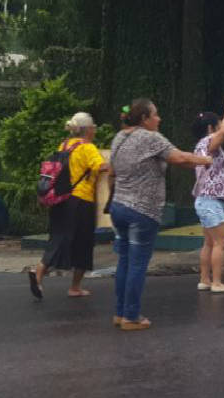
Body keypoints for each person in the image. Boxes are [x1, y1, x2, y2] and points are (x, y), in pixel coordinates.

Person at [108, 98, 212, 330]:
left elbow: (112, 171)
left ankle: (120, 312)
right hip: (141, 210)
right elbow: (179, 158)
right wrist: (205, 159)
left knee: (124, 261)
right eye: (155, 114)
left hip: (119, 207)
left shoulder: (119, 137)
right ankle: (132, 317)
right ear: (144, 119)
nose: (159, 118)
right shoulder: (150, 137)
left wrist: (194, 162)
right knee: (137, 264)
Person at [28, 112, 107, 299]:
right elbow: (101, 167)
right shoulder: (88, 148)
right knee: (84, 243)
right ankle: (74, 286)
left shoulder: (64, 145)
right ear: (88, 130)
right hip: (81, 201)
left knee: (58, 237)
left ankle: (39, 272)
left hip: (60, 199)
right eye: (93, 128)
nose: (94, 131)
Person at [193, 99, 224, 293]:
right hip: (211, 202)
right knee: (220, 243)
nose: (223, 124)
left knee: (209, 242)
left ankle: (205, 279)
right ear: (210, 127)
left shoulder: (200, 146)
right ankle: (217, 283)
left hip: (204, 200)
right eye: (219, 122)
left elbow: (213, 173)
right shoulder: (208, 142)